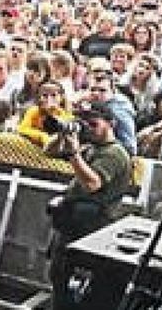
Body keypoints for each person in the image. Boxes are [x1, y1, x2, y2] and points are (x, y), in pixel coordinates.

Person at [48, 100, 132, 310]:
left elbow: (93, 183)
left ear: (111, 123)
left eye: (94, 124)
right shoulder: (92, 147)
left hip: (92, 226)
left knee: (75, 284)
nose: (90, 129)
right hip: (73, 223)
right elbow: (49, 151)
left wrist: (74, 155)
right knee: (58, 275)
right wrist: (63, 134)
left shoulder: (114, 153)